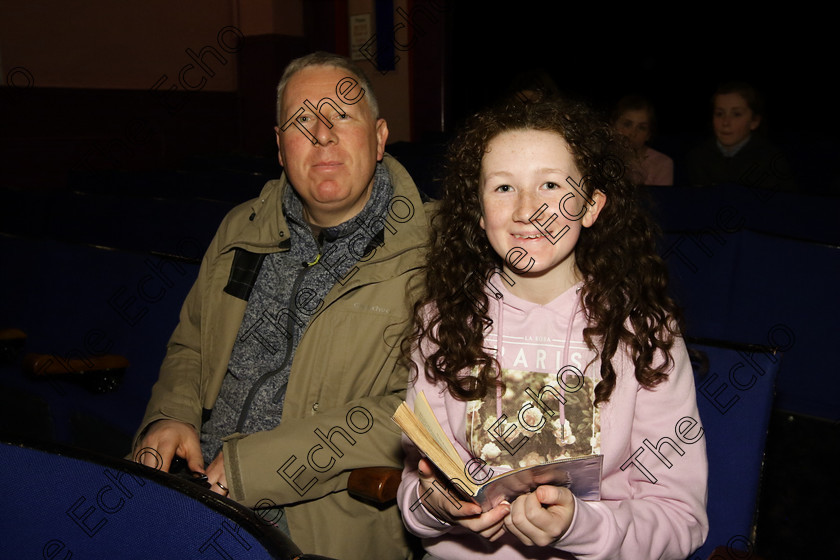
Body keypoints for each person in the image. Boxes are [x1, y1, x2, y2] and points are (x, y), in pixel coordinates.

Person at [132, 51, 431, 560]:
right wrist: (171, 414)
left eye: (341, 115)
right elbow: (191, 346)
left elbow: (420, 411)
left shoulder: (434, 253)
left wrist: (263, 465)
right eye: (300, 120)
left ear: (379, 138)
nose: (321, 134)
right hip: (196, 494)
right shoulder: (240, 229)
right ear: (279, 146)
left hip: (318, 524)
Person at [396, 98, 708, 559]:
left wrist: (581, 527)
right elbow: (415, 491)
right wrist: (435, 506)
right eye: (503, 187)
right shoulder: (443, 323)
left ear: (590, 205)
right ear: (479, 212)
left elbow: (680, 519)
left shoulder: (645, 333)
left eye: (550, 185)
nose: (528, 210)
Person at [686, 81, 795, 191]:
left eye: (736, 114)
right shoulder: (698, 157)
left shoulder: (771, 161)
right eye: (719, 114)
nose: (725, 123)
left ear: (754, 121)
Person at [612, 94, 674, 186]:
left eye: (641, 128)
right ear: (613, 126)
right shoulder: (600, 157)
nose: (633, 133)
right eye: (627, 124)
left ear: (649, 134)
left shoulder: (662, 164)